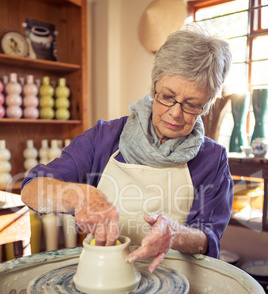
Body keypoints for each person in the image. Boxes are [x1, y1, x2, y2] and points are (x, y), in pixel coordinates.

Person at [21, 24, 233, 273]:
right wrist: (79, 196)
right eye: (167, 96)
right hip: (104, 277)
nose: (175, 113)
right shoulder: (104, 138)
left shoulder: (212, 158)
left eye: (192, 105)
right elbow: (32, 190)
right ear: (154, 81)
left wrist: (176, 235)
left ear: (207, 104)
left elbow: (208, 238)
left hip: (178, 286)